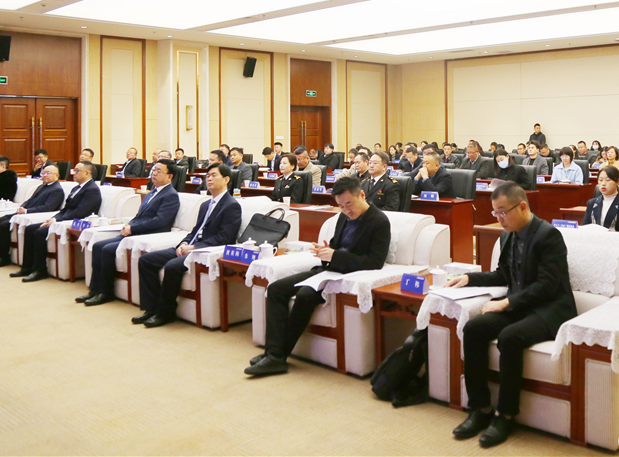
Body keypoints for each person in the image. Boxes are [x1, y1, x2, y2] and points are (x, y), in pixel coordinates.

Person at [446, 182, 576, 448]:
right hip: (520, 306)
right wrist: (469, 278)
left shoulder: (548, 236)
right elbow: (502, 275)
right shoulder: (507, 236)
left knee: (510, 337)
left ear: (523, 206)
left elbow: (547, 286)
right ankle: (480, 409)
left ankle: (505, 415)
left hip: (549, 309)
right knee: (473, 329)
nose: (499, 218)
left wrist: (507, 303)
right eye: (495, 212)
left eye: (503, 212)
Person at [244, 176, 391, 376]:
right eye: (341, 206)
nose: (346, 210)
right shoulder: (343, 216)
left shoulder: (379, 221)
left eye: (349, 204)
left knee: (305, 295)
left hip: (347, 276)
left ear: (362, 195)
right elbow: (335, 246)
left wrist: (335, 256)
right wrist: (324, 251)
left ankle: (276, 356)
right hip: (328, 271)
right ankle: (273, 353)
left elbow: (374, 262)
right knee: (276, 288)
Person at [135, 163, 241, 328]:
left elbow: (225, 238)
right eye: (207, 176)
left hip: (204, 251)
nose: (209, 179)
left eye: (214, 175)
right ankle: (151, 308)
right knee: (146, 260)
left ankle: (166, 313)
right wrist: (184, 243)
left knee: (172, 266)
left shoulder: (231, 205)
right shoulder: (206, 204)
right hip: (191, 247)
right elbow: (196, 230)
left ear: (226, 179)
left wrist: (194, 248)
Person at [76, 159, 181, 307]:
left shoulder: (170, 195)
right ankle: (94, 289)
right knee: (98, 246)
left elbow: (160, 221)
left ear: (169, 177)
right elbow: (139, 216)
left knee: (107, 249)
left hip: (148, 235)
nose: (154, 174)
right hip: (135, 232)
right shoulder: (152, 192)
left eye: (159, 171)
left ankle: (105, 292)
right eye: (153, 170)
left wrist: (133, 229)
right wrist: (129, 225)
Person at [9, 161, 102, 282]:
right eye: (73, 170)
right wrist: (53, 218)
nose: (73, 173)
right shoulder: (76, 188)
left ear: (87, 173)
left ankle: (40, 270)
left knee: (40, 232)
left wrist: (57, 220)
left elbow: (80, 212)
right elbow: (66, 209)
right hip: (64, 218)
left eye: (77, 171)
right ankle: (27, 267)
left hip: (77, 222)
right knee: (30, 228)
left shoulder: (92, 190)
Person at [0, 165, 65, 268]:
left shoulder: (57, 190)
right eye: (43, 173)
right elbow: (30, 200)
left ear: (56, 175)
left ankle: (3, 257)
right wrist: (22, 207)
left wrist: (26, 211)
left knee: (3, 225)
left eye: (47, 173)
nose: (44, 175)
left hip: (32, 215)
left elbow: (48, 207)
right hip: (23, 213)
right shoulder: (42, 186)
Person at [582, 165, 619, 232]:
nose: (603, 184)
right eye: (600, 180)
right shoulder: (591, 203)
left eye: (608, 180)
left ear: (618, 181)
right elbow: (584, 229)